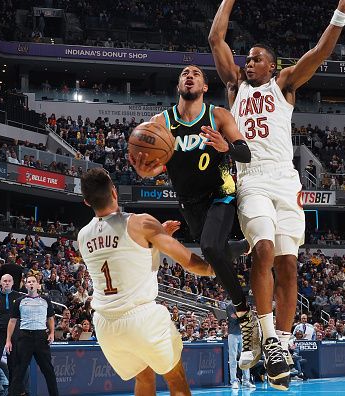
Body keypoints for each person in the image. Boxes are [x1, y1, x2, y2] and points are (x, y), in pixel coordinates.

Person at [209, 0, 345, 389]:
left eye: (256, 59)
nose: (248, 62)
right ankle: (267, 335)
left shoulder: (285, 84)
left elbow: (322, 52)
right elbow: (215, 38)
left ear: (271, 66)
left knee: (289, 264)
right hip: (252, 177)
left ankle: (284, 344)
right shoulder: (234, 87)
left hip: (286, 180)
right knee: (263, 251)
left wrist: (340, 9)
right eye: (247, 58)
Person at [129, 65, 260, 370]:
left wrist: (227, 146)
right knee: (212, 255)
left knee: (211, 248)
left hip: (221, 190)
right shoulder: (161, 122)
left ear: (203, 86)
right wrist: (146, 170)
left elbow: (245, 153)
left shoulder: (218, 116)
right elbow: (154, 163)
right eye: (185, 73)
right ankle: (241, 248)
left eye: (196, 74)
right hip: (190, 202)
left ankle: (244, 317)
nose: (190, 75)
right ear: (179, 85)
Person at [77, 168, 214, 396]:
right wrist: (215, 269)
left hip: (106, 324)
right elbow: (189, 263)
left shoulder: (82, 235)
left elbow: (118, 254)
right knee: (176, 378)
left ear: (86, 201)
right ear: (114, 191)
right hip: (140, 318)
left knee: (144, 376)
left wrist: (157, 237)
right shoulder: (141, 223)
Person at [5, 275, 58, 396]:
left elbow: (50, 318)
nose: (31, 283)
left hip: (41, 337)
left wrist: (52, 333)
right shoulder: (19, 301)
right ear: (26, 285)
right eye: (29, 282)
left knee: (48, 371)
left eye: (33, 281)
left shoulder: (46, 300)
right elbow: (12, 321)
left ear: (38, 284)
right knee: (19, 371)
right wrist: (8, 340)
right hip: (24, 338)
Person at [226, 302, 255, 389]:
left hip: (243, 334)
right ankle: (234, 381)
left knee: (245, 357)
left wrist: (241, 317)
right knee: (233, 358)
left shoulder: (245, 306)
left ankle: (246, 380)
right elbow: (233, 319)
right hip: (233, 334)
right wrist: (243, 317)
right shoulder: (230, 306)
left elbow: (249, 319)